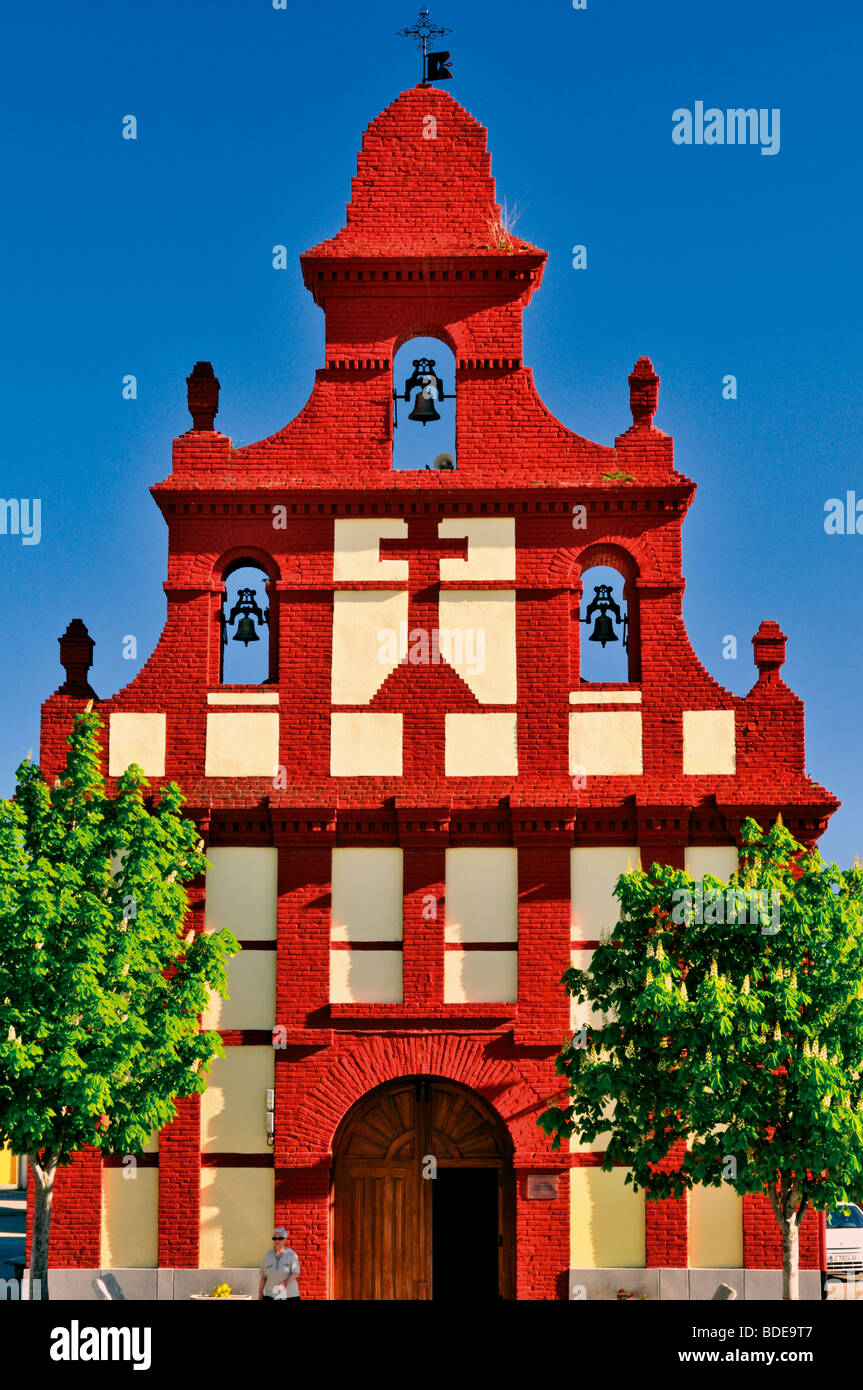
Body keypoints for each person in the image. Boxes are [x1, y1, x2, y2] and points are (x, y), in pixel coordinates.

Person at [258, 1228, 301, 1302]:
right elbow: (263, 1277)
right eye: (274, 1238)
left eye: (280, 1238)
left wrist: (284, 1283)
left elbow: (295, 1273)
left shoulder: (291, 1254)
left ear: (285, 1240)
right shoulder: (267, 1255)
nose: (277, 1241)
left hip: (289, 1295)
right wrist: (260, 1295)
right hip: (270, 1295)